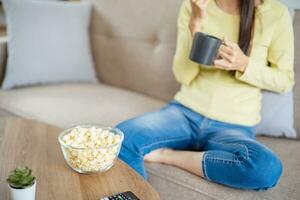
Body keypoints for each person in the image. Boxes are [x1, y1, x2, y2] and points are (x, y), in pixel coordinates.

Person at [116, 0, 294, 190]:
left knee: (265, 168)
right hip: (185, 113)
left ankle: (167, 155)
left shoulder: (275, 13)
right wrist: (195, 23)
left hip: (233, 126)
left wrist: (245, 65)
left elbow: (285, 81)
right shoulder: (194, 6)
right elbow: (183, 75)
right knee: (120, 139)